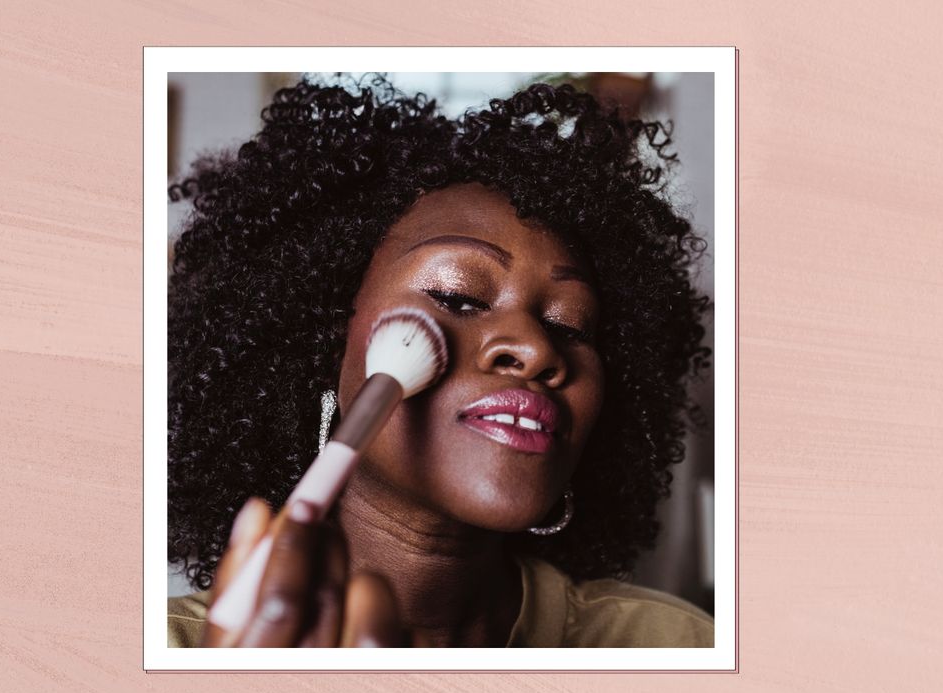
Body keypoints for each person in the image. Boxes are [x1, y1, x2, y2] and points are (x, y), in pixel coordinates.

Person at [166, 75, 713, 648]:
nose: (535, 350)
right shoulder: (162, 652)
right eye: (457, 299)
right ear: (325, 345)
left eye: (571, 326)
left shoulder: (675, 645)